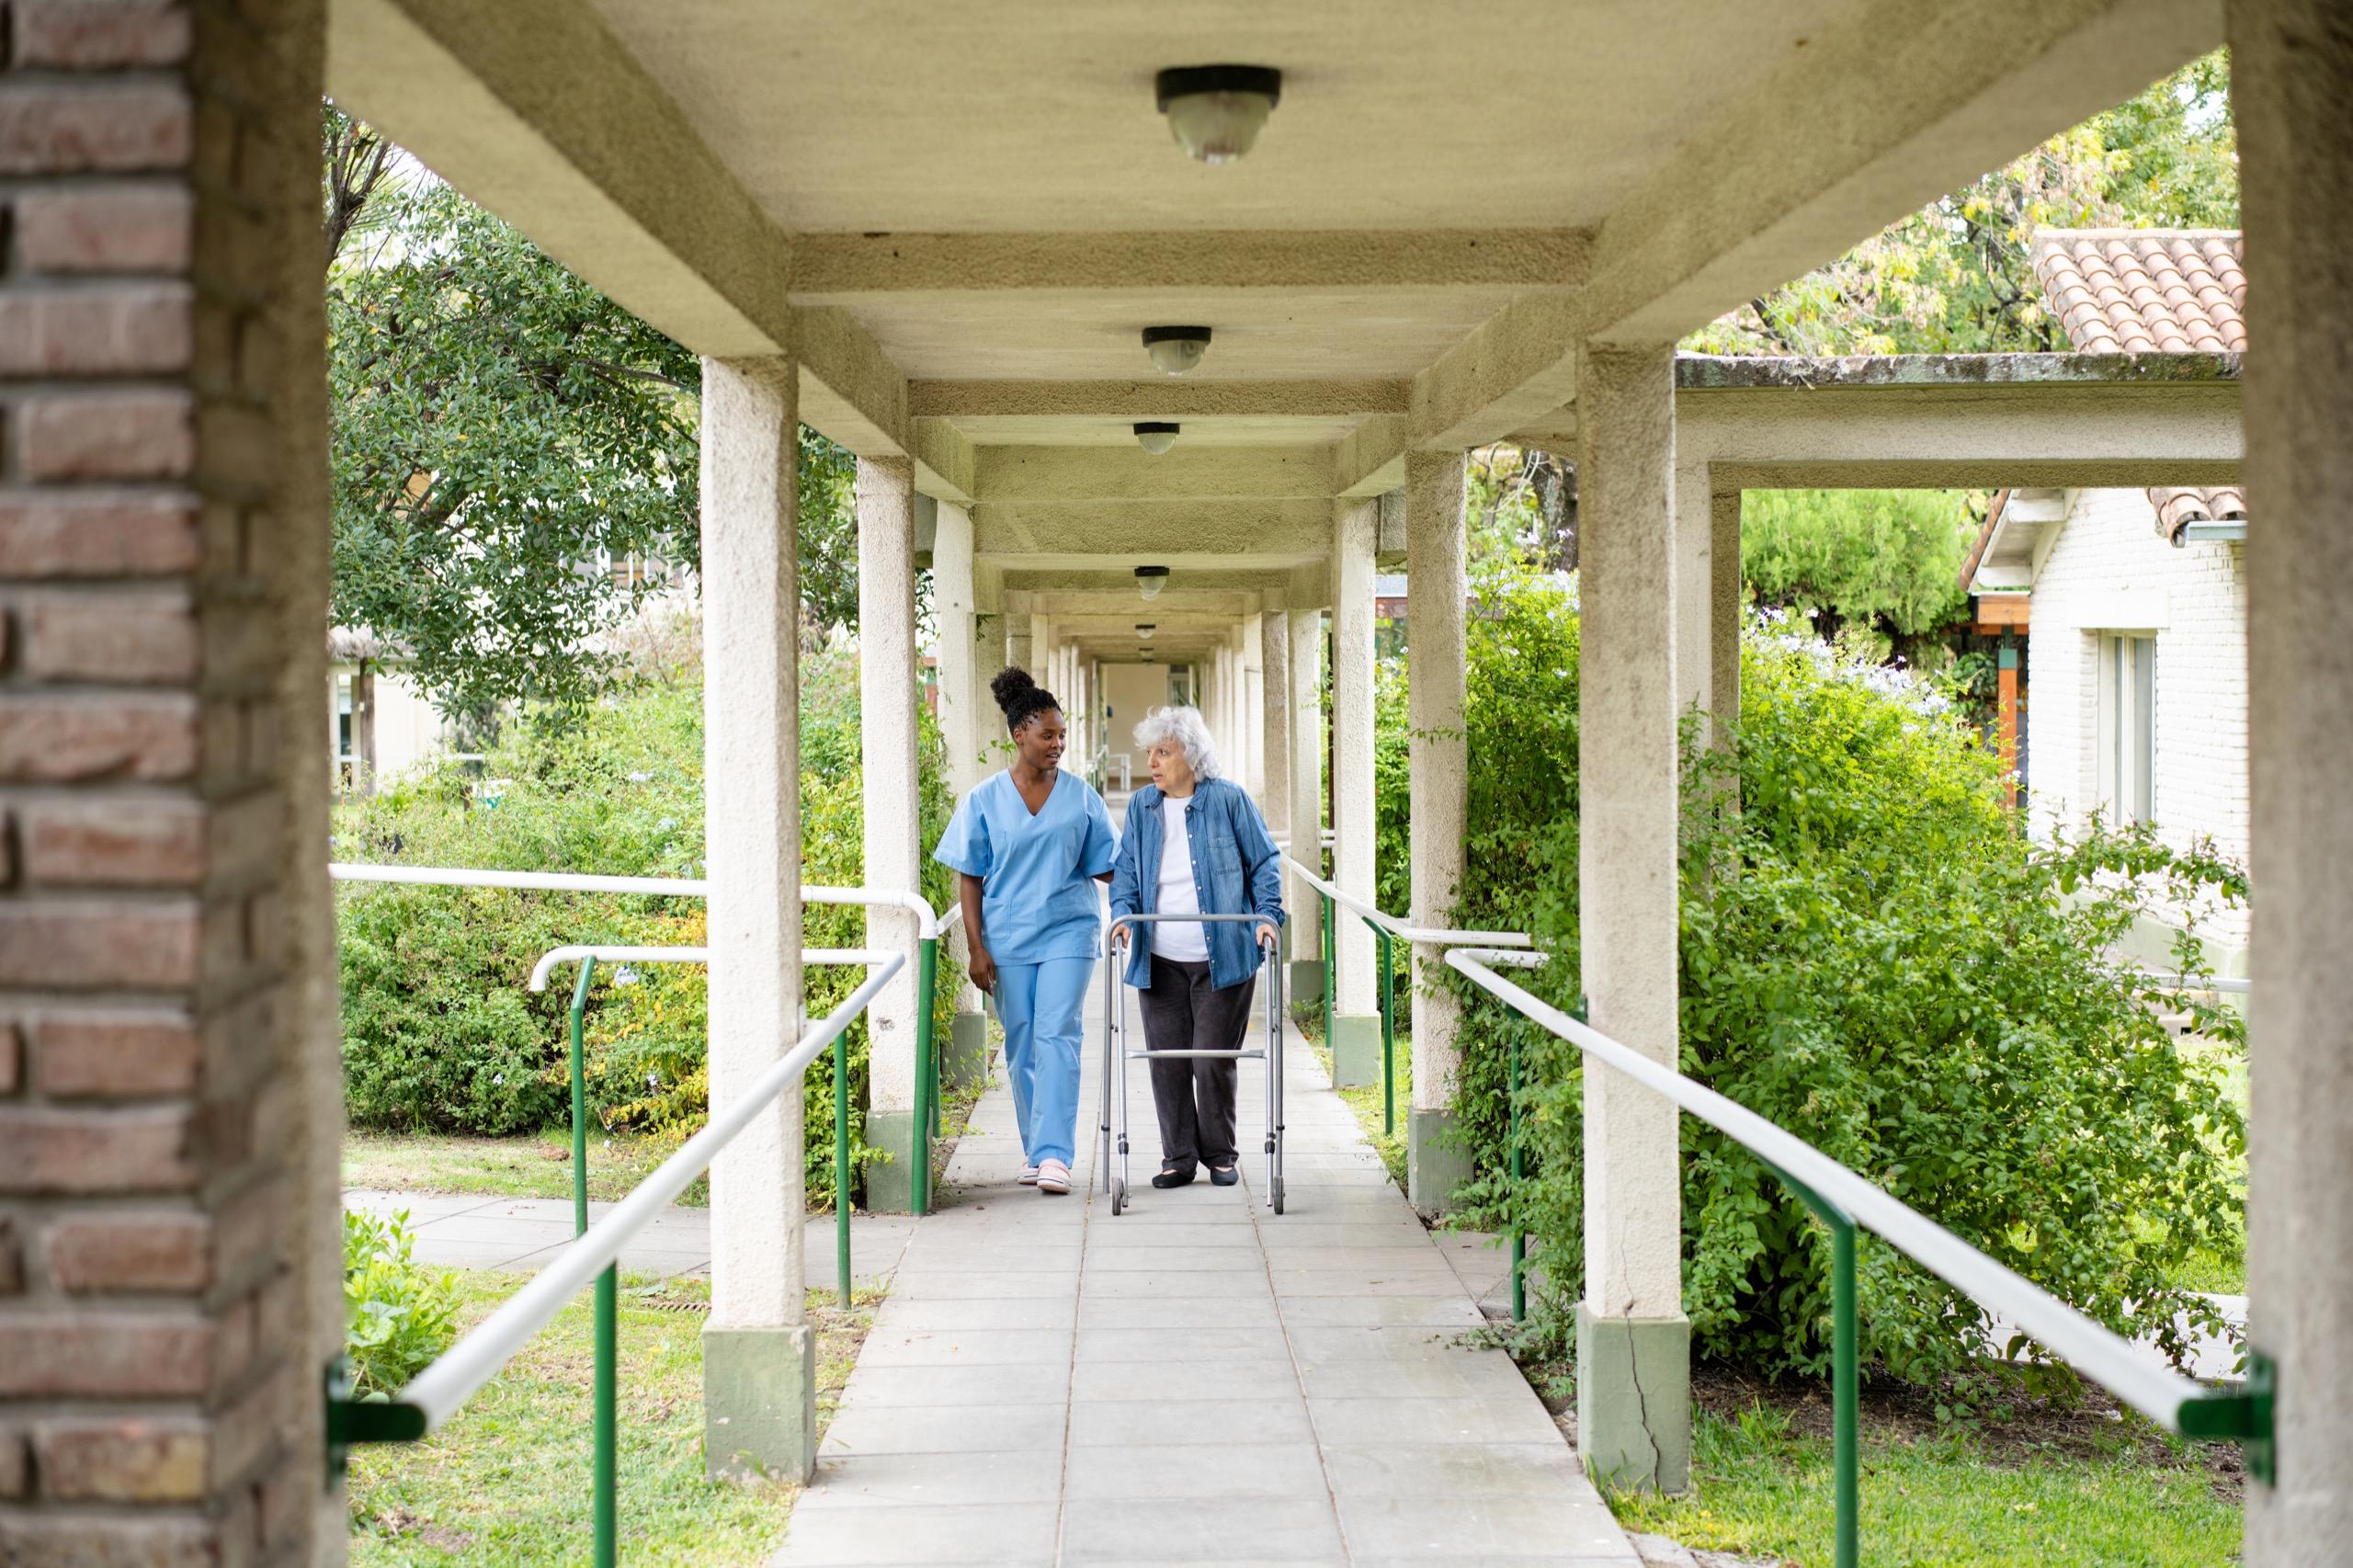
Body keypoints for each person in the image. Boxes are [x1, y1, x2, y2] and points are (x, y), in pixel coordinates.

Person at [933, 667, 1118, 1196]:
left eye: (1062, 735)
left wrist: (1155, 878)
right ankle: (1036, 1148)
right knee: (1020, 1043)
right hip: (1007, 937)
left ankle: (1056, 1154)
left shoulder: (1081, 797)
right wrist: (976, 947)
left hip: (1068, 931)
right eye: (1048, 735)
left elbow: (1106, 864)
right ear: (1020, 735)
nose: (1058, 744)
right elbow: (970, 875)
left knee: (1057, 1033)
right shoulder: (985, 799)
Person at [1107, 705, 1284, 1189]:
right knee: (1167, 1060)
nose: (1153, 762)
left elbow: (1264, 861)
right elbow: (1125, 873)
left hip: (1222, 957)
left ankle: (1221, 1154)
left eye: (1163, 751)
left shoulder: (1229, 801)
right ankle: (1178, 1158)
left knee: (1211, 1057)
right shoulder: (1142, 807)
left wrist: (1268, 915)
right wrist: (1122, 915)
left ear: (1191, 754)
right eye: (1150, 752)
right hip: (1158, 958)